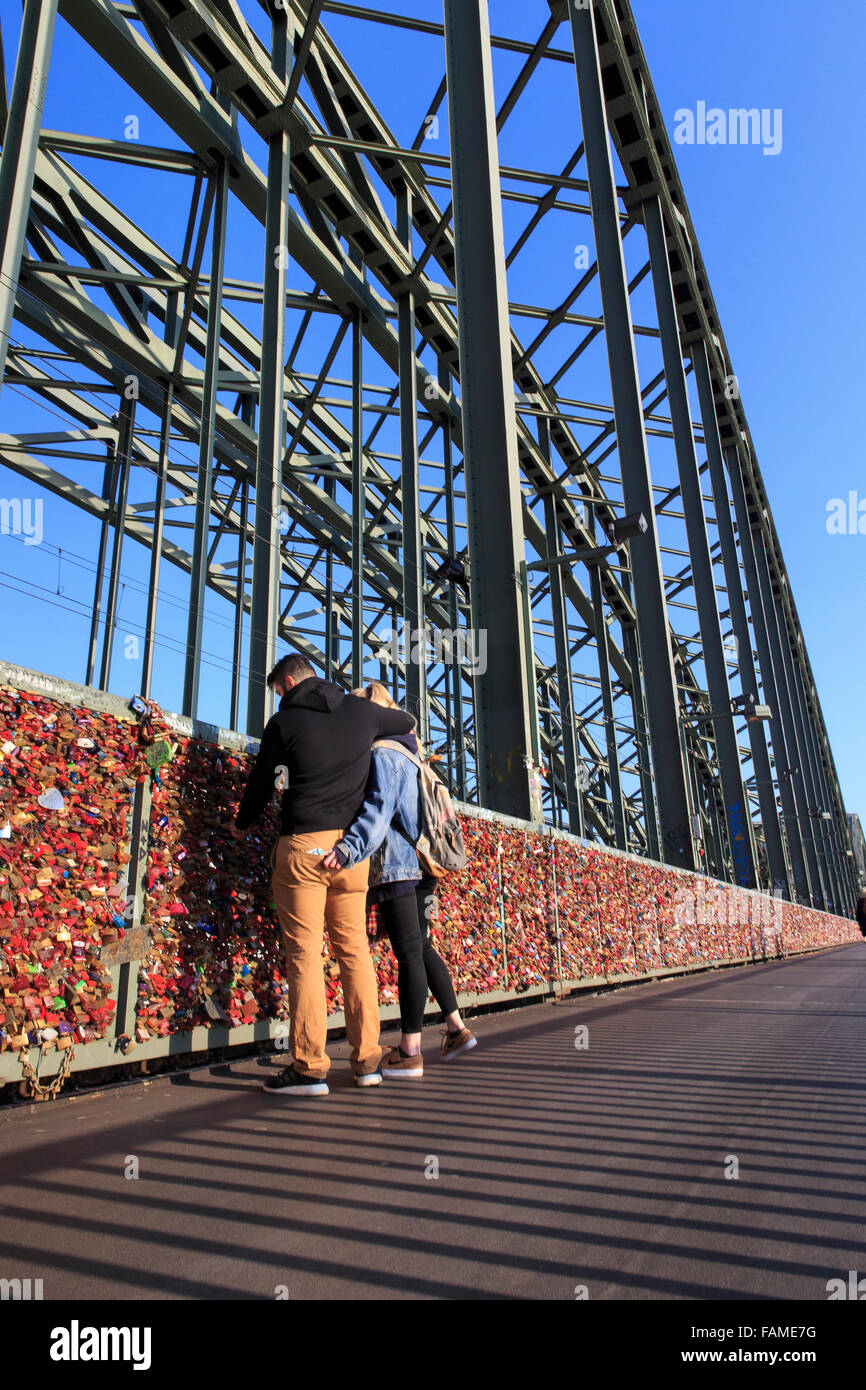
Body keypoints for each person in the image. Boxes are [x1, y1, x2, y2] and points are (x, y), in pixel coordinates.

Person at [230, 654, 414, 1096]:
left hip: (304, 850)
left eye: (278, 690)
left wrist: (241, 822)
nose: (279, 697)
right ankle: (368, 1059)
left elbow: (260, 784)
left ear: (289, 682)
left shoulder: (283, 722)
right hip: (351, 855)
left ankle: (311, 1066)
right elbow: (405, 721)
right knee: (354, 952)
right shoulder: (360, 711)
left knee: (306, 956)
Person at [323, 682, 475, 1078]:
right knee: (422, 947)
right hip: (424, 866)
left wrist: (348, 849)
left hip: (396, 865)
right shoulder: (412, 752)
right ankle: (456, 1028)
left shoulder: (383, 753)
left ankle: (410, 1050)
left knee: (408, 953)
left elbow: (378, 811)